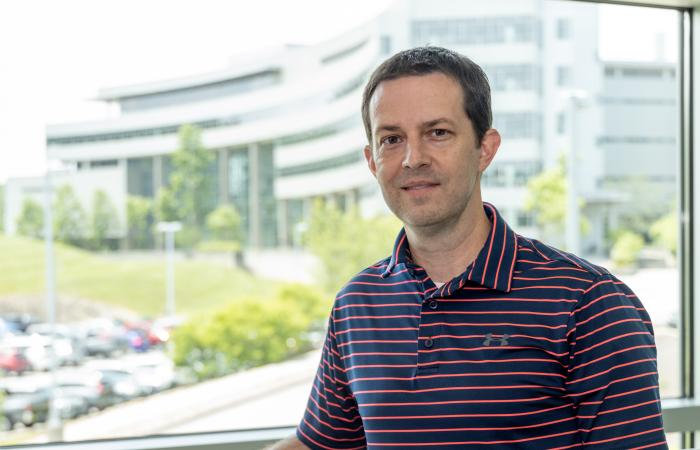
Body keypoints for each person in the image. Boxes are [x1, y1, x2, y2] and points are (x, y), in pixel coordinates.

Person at [270, 46, 667, 449]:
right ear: (372, 162)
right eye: (392, 139)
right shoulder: (358, 304)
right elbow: (318, 444)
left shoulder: (589, 302)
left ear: (485, 149)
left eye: (437, 133)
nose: (413, 159)